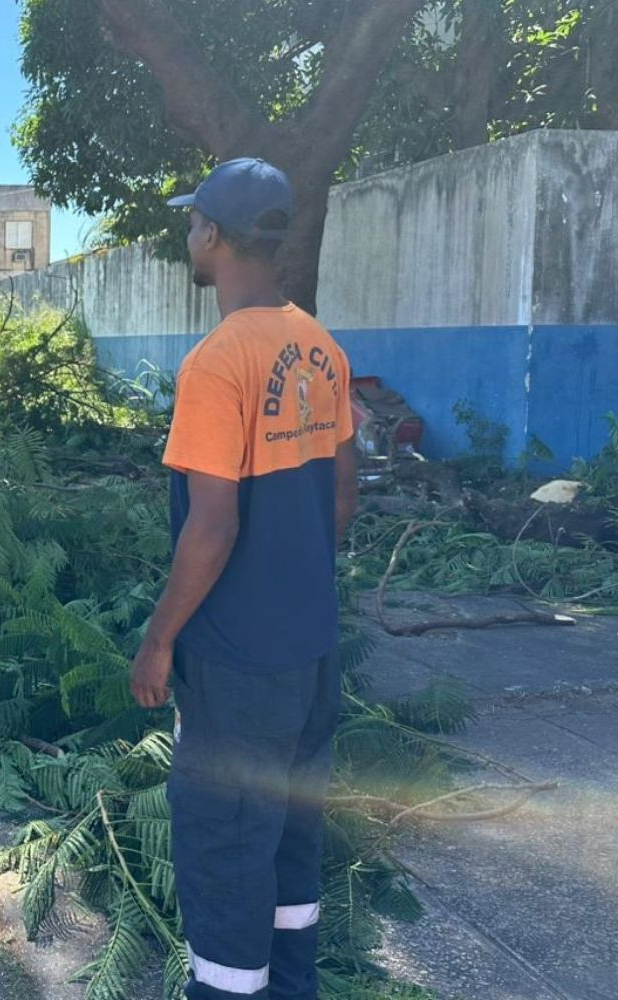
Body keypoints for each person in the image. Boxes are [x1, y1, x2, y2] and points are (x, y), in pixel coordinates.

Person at [129, 158, 359, 1000]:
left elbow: (212, 525)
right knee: (290, 854)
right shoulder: (320, 347)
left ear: (216, 237)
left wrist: (159, 642)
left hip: (239, 667)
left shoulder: (217, 363)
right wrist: (294, 578)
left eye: (194, 223)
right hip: (312, 655)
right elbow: (342, 492)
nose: (189, 235)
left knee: (227, 855)